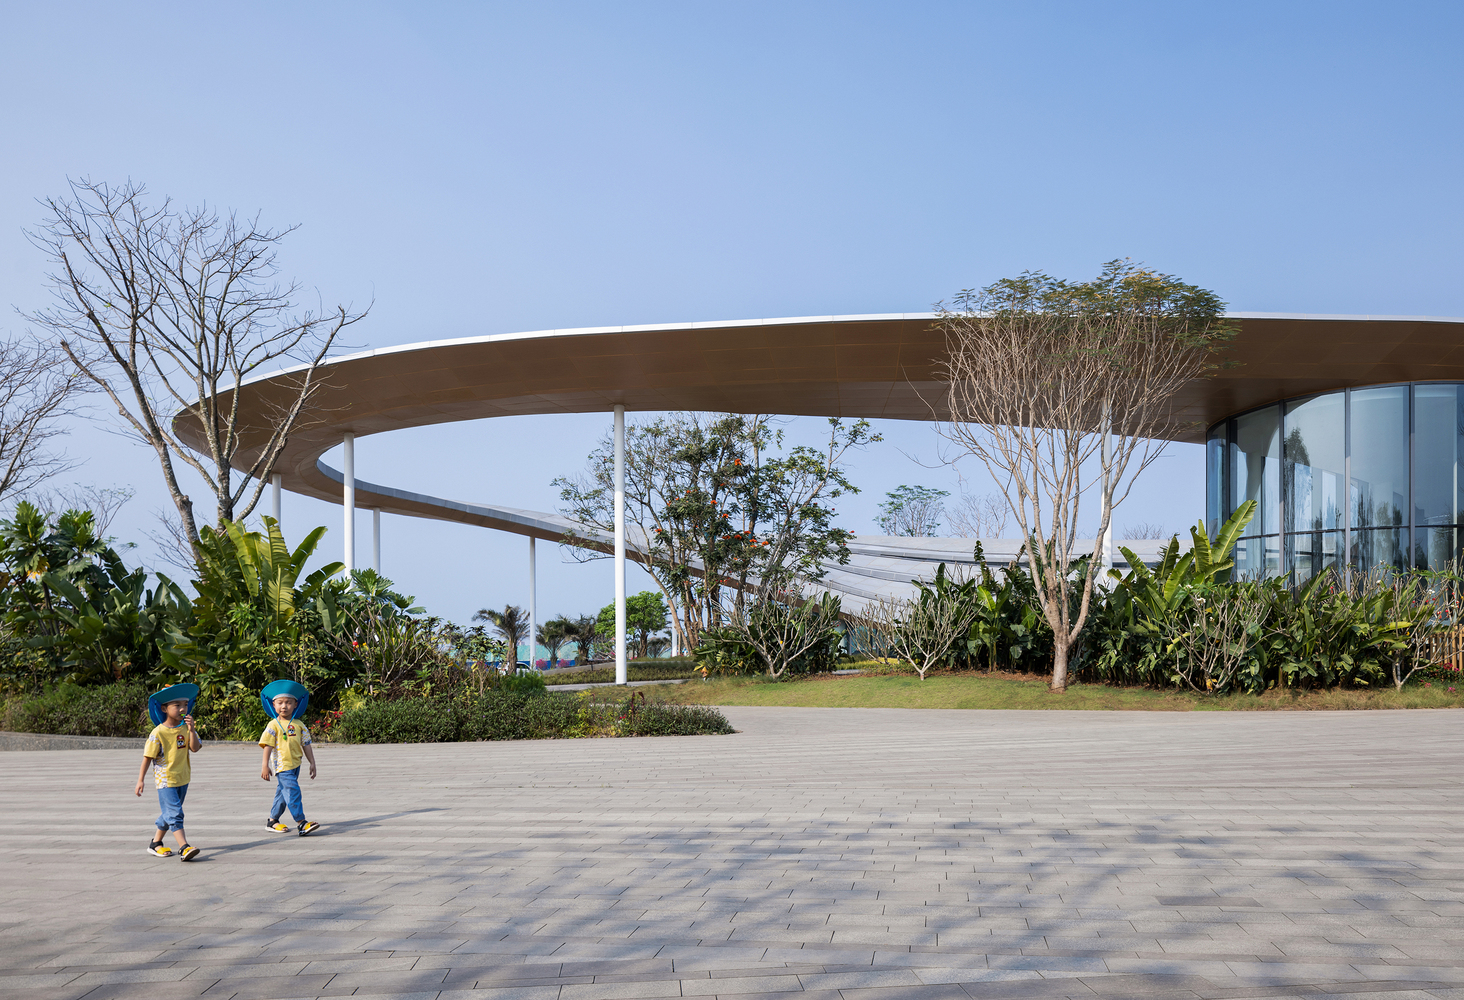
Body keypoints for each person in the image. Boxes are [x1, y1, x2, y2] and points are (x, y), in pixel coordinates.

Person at [134, 682, 202, 861]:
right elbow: (147, 757)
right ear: (164, 708)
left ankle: (155, 843)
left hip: (183, 778)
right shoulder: (158, 733)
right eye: (177, 705)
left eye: (185, 704)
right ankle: (184, 847)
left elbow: (195, 748)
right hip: (165, 780)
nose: (182, 709)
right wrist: (141, 780)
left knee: (169, 813)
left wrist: (192, 730)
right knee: (175, 813)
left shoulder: (186, 728)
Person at [259, 679, 321, 836]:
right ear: (273, 705)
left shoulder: (299, 725)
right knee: (293, 791)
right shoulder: (273, 725)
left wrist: (312, 762)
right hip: (282, 765)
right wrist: (265, 765)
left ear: (295, 704)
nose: (284, 706)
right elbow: (267, 745)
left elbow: (306, 744)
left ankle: (272, 821)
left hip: (295, 765)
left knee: (283, 792)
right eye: (280, 703)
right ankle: (301, 823)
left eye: (288, 702)